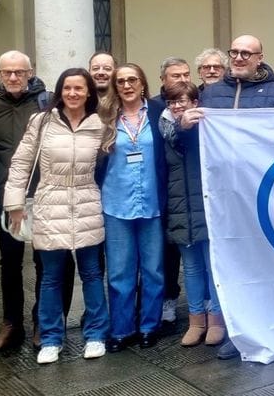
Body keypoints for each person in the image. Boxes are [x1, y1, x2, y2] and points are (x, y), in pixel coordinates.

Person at [179, 34, 274, 360]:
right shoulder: (211, 94)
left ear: (260, 57)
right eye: (235, 52)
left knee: (266, 262)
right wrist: (183, 126)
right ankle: (237, 331)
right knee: (233, 266)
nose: (240, 57)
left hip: (263, 195)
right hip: (223, 199)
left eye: (247, 53)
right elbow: (186, 146)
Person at [3, 68, 109, 364]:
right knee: (51, 277)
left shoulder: (100, 123)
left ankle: (96, 334)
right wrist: (14, 204)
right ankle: (50, 338)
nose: (73, 93)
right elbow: (21, 163)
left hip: (88, 201)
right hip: (50, 203)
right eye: (67, 88)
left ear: (89, 92)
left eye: (79, 88)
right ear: (59, 92)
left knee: (91, 274)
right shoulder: (41, 122)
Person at [0, 50, 72, 353]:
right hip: (8, 197)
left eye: (20, 72)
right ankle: (11, 324)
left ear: (30, 72)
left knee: (47, 262)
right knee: (10, 263)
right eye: (7, 72)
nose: (14, 77)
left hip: (45, 195)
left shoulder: (47, 102)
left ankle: (43, 323)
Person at [98, 64, 168, 352]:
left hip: (152, 202)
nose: (127, 86)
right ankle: (122, 329)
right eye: (121, 81)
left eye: (133, 80)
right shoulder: (104, 117)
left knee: (153, 270)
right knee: (119, 271)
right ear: (115, 86)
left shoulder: (157, 112)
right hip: (116, 203)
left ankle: (149, 326)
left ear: (143, 84)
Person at [161, 82, 227, 347]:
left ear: (195, 103)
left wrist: (186, 127)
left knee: (212, 267)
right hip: (180, 209)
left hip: (205, 208)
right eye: (172, 102)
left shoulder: (205, 129)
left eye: (183, 101)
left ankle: (216, 319)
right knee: (190, 268)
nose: (178, 106)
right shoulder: (164, 130)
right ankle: (195, 320)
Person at [151, 57, 190, 327]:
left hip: (190, 186)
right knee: (166, 250)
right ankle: (167, 300)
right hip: (162, 186)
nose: (182, 79)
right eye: (175, 75)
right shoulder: (152, 108)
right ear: (163, 79)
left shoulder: (195, 102)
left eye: (186, 74)